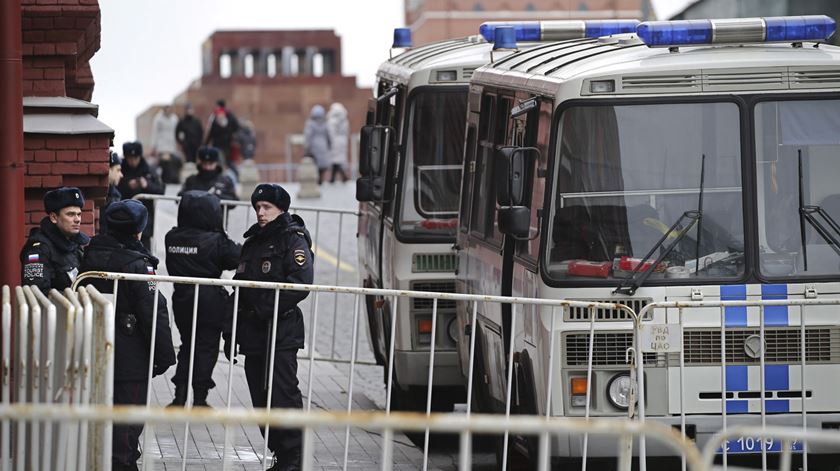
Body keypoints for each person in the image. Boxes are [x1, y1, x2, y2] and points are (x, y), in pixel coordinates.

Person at [78, 199, 176, 471]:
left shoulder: (90, 254)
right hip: (130, 354)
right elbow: (154, 309)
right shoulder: (141, 265)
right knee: (128, 421)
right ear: (138, 230)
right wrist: (164, 355)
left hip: (96, 347)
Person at [233, 184, 314, 471]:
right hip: (254, 333)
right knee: (260, 398)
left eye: (266, 207)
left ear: (281, 209)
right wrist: (232, 326)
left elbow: (301, 283)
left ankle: (293, 458)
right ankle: (280, 453)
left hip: (281, 330)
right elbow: (240, 285)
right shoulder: (253, 241)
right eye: (257, 207)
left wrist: (264, 306)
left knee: (283, 394)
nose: (261, 212)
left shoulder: (292, 238)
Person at [165, 191, 241, 407]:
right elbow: (235, 257)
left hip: (182, 299)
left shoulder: (172, 237)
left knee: (188, 345)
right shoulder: (216, 240)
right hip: (209, 300)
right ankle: (200, 399)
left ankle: (179, 396)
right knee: (206, 348)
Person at [20, 187, 90, 293]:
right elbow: (38, 294)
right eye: (70, 214)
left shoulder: (74, 243)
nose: (77, 219)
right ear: (53, 217)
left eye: (79, 214)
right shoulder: (39, 249)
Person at [117, 141, 165, 250]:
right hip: (124, 217)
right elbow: (115, 187)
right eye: (130, 158)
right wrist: (128, 185)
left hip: (145, 220)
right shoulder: (120, 169)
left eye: (135, 158)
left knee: (144, 250)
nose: (132, 161)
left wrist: (146, 185)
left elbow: (161, 190)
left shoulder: (149, 169)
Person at [151, 105, 182, 184]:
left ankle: (173, 179)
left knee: (174, 163)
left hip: (172, 146)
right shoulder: (158, 118)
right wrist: (154, 146)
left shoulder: (174, 118)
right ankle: (165, 181)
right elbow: (154, 133)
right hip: (162, 147)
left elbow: (177, 132)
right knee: (165, 164)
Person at [205, 99, 240, 168]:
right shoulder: (229, 115)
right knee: (224, 161)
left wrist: (206, 143)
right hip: (224, 143)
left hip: (222, 144)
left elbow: (211, 132)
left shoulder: (216, 116)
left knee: (223, 161)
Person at [303, 105, 331, 184]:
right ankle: (320, 179)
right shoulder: (325, 123)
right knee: (322, 165)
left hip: (314, 146)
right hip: (323, 145)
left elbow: (308, 136)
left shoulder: (310, 123)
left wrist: (307, 147)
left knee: (314, 165)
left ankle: (316, 180)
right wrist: (329, 144)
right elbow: (328, 135)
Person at [100, 151, 124, 234]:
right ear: (108, 170)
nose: (121, 175)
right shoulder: (99, 194)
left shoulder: (115, 195)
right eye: (118, 170)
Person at [326, 102, 350, 183]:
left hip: (335, 141)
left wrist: (330, 142)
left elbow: (331, 132)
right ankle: (335, 177)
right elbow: (347, 132)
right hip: (342, 141)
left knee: (335, 160)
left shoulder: (332, 120)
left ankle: (340, 176)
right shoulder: (345, 120)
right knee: (337, 160)